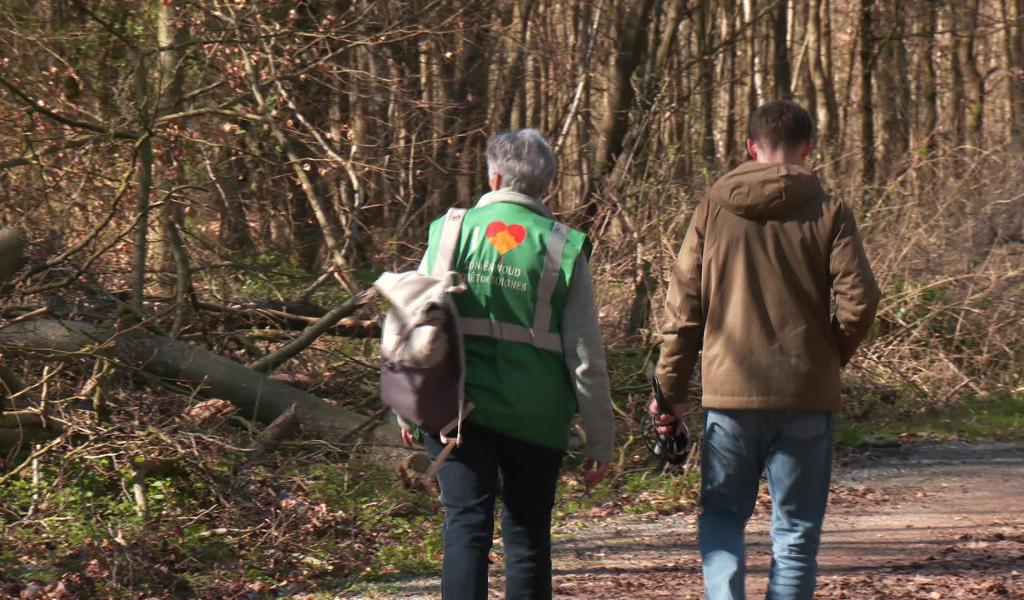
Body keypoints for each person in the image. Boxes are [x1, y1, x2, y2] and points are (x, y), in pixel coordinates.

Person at [652, 100, 881, 600]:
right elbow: (860, 304)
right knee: (796, 531)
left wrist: (669, 390)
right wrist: (827, 355)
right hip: (806, 395)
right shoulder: (830, 211)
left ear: (752, 148)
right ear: (807, 149)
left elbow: (684, 308)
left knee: (722, 518)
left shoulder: (713, 209)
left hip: (729, 394)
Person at [406, 128, 615, 600]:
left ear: (494, 176)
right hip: (537, 417)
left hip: (456, 409)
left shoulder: (451, 230)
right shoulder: (564, 246)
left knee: (466, 527)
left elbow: (416, 328)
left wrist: (407, 406)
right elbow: (585, 357)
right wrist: (600, 437)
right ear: (547, 185)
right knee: (527, 536)